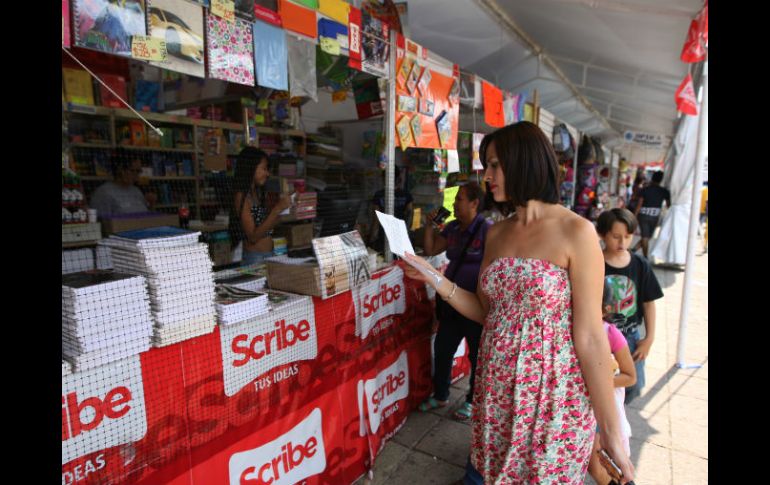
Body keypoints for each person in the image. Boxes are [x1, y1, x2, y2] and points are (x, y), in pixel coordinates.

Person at [402, 121, 634, 484]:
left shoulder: (577, 232)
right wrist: (433, 277)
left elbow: (591, 337)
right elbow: (488, 312)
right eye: (486, 165)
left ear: (523, 162)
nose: (487, 175)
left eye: (494, 165)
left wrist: (611, 432)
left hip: (553, 397)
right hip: (496, 392)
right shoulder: (497, 232)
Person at [418, 182, 492, 421]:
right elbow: (430, 248)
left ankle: (472, 401)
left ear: (474, 203)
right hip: (450, 303)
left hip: (475, 304)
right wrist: (430, 226)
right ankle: (441, 395)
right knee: (443, 349)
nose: (454, 204)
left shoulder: (487, 231)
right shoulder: (452, 228)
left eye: (459, 199)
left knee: (477, 356)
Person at [597, 208, 664, 405]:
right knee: (599, 384)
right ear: (602, 234)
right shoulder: (593, 262)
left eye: (627, 237)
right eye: (616, 236)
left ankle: (619, 421)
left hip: (630, 337)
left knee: (631, 385)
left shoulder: (640, 264)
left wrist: (649, 338)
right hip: (600, 336)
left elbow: (649, 303)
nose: (622, 243)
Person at [587, 280, 636, 485]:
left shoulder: (611, 333)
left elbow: (630, 376)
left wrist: (601, 381)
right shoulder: (569, 330)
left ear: (605, 309)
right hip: (579, 410)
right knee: (593, 464)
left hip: (603, 410)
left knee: (602, 466)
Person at [229, 147, 291, 266]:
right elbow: (253, 237)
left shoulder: (257, 193)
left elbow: (266, 227)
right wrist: (277, 209)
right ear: (250, 168)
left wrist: (285, 209)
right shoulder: (241, 196)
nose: (267, 173)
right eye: (263, 168)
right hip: (255, 259)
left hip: (269, 255)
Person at [89, 149, 156, 217]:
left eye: (139, 171)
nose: (137, 175)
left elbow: (148, 217)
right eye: (134, 171)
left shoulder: (137, 191)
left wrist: (151, 204)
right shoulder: (103, 193)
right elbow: (102, 223)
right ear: (121, 170)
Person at [369, 166, 414, 252]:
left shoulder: (379, 195)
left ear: (384, 178)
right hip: (401, 234)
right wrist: (406, 233)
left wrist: (371, 239)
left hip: (384, 236)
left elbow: (376, 219)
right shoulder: (406, 195)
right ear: (397, 178)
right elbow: (410, 214)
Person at [633, 170, 670, 258]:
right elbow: (669, 205)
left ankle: (633, 250)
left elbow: (639, 204)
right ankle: (645, 257)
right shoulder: (664, 191)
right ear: (661, 180)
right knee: (647, 236)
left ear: (652, 178)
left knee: (646, 237)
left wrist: (634, 215)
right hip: (655, 216)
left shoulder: (645, 189)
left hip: (643, 215)